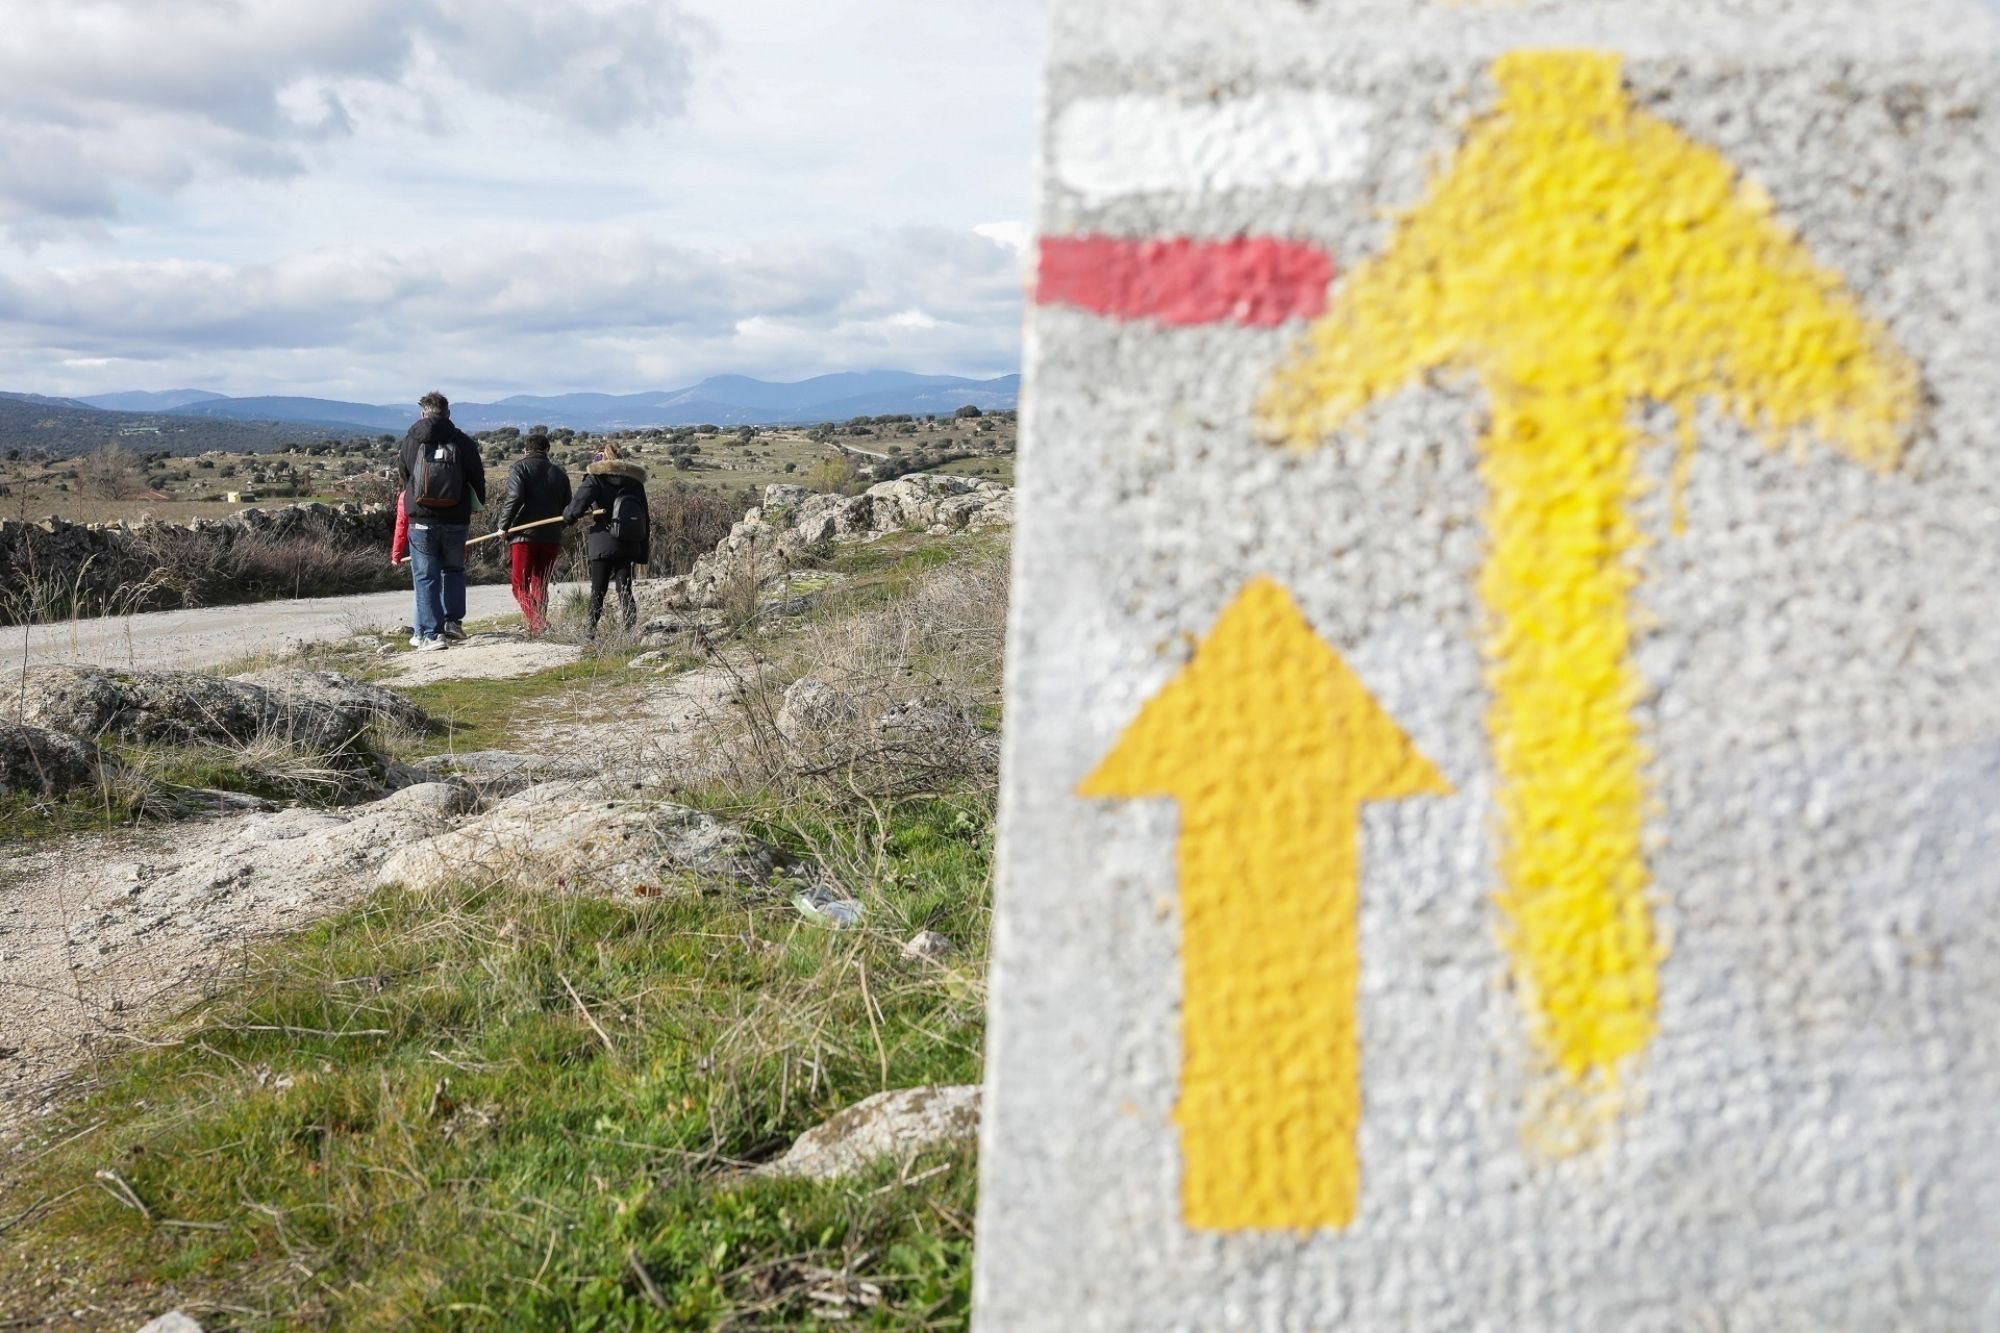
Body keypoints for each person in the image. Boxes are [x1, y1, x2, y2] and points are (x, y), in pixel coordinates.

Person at [397, 391, 487, 650]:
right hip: (456, 519)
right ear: (448, 413)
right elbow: (477, 478)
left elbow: (405, 476)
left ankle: (431, 634)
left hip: (422, 519)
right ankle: (453, 622)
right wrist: (473, 506)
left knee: (426, 576)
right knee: (454, 570)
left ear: (422, 413)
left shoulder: (410, 440)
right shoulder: (463, 442)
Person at [491, 426, 572, 637]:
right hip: (551, 536)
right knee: (540, 583)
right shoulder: (560, 473)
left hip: (524, 535)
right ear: (547, 450)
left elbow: (515, 497)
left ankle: (539, 624)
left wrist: (503, 526)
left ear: (525, 450)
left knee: (519, 586)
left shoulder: (520, 468)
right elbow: (568, 507)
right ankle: (539, 628)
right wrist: (557, 528)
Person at [563, 442, 649, 640]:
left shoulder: (595, 479)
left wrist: (567, 517)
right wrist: (643, 550)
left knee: (598, 590)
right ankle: (629, 633)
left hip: (603, 541)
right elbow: (645, 516)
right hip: (629, 542)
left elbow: (575, 508)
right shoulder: (635, 482)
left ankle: (590, 633)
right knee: (625, 589)